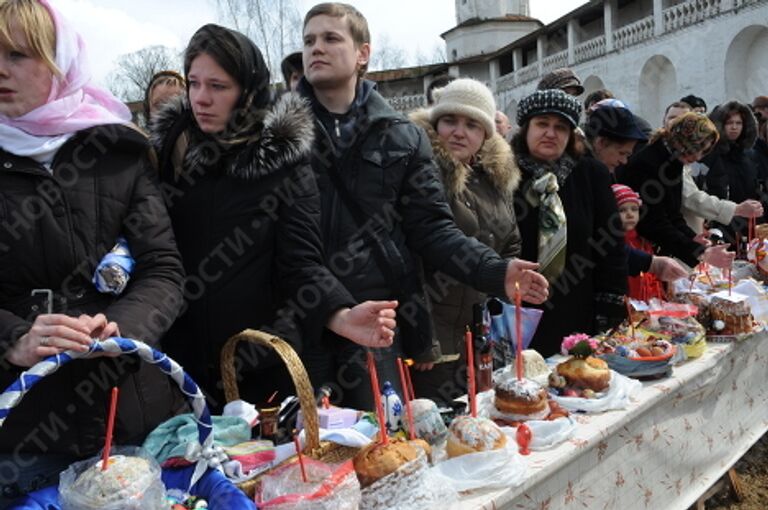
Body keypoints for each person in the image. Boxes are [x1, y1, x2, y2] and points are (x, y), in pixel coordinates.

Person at [298, 2, 548, 408]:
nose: (316, 49)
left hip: (378, 325)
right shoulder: (279, 136)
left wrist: (495, 271)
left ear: (363, 53)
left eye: (330, 38)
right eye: (309, 40)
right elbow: (284, 250)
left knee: (389, 451)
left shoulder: (401, 138)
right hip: (299, 324)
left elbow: (433, 229)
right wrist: (334, 311)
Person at [150, 23, 397, 411]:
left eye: (218, 86)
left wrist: (342, 314)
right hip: (180, 366)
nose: (201, 98)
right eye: (194, 83)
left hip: (261, 363)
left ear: (247, 90)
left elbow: (300, 264)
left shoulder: (285, 163)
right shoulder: (170, 150)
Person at [0, 0, 185, 501]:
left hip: (130, 415)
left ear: (61, 61)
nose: (1, 68)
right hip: (22, 438)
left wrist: (123, 328)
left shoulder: (117, 151)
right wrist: (14, 339)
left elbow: (164, 270)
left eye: (18, 54)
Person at [408, 78, 523, 404]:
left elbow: (511, 241)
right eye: (449, 120)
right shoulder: (418, 173)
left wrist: (501, 286)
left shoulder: (494, 179)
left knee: (482, 424)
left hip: (480, 334)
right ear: (435, 123)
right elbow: (409, 261)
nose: (459, 132)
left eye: (472, 124)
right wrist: (423, 337)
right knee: (437, 428)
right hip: (432, 341)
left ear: (486, 133)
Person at [512, 89, 627, 356]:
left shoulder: (590, 174)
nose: (551, 133)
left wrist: (609, 306)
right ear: (525, 129)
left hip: (578, 306)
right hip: (519, 310)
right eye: (542, 124)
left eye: (560, 127)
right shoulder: (503, 175)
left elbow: (611, 244)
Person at [585, 104, 688, 285]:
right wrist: (650, 263)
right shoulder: (585, 177)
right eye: (622, 153)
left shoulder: (603, 172)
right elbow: (596, 243)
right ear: (601, 143)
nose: (624, 160)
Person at [617, 112, 735, 269]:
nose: (698, 157)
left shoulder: (673, 161)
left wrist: (693, 238)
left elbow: (673, 213)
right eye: (697, 148)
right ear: (682, 140)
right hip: (635, 248)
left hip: (654, 247)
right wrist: (698, 251)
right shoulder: (649, 162)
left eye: (704, 151)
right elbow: (653, 222)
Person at [661, 101, 764, 234]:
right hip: (711, 223)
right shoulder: (704, 154)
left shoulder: (749, 155)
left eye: (738, 123)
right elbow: (692, 196)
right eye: (729, 123)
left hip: (744, 221)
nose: (734, 127)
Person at [612, 185, 667, 300]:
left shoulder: (643, 242)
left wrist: (658, 299)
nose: (630, 214)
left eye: (634, 209)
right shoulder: (614, 245)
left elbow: (654, 277)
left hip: (648, 309)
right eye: (622, 210)